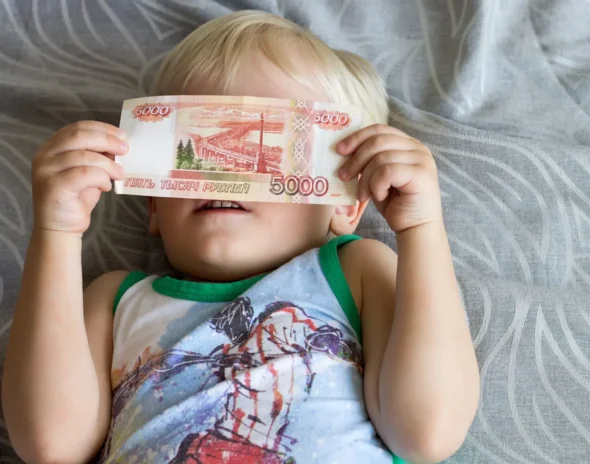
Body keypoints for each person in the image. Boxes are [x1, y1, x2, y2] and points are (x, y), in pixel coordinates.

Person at [2, 10, 480, 464]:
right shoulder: (115, 301)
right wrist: (57, 232)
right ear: (153, 203)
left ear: (344, 203)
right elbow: (51, 444)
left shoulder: (355, 271)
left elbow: (428, 430)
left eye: (267, 151)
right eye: (194, 147)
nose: (223, 171)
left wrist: (421, 230)